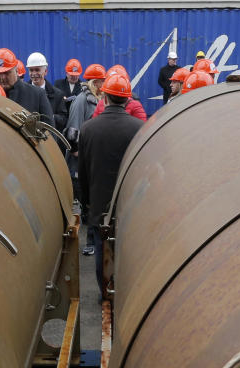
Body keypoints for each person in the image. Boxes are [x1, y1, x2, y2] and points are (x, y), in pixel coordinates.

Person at [77, 73, 144, 295]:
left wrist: (87, 203)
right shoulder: (138, 128)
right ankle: (126, 295)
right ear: (127, 100)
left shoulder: (88, 129)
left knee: (101, 250)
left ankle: (104, 293)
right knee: (128, 251)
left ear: (104, 96)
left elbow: (83, 173)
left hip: (99, 204)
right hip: (130, 205)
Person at [65, 63, 107, 254]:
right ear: (94, 82)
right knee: (87, 201)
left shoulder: (100, 100)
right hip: (82, 160)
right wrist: (80, 155)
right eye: (100, 81)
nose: (102, 84)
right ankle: (90, 243)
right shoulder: (82, 100)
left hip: (94, 159)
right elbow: (73, 132)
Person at [0, 48, 54, 126]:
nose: (3, 77)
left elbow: (50, 132)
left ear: (16, 71)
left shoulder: (37, 95)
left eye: (7, 72)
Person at [26, 52, 67, 130]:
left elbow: (63, 120)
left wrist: (49, 116)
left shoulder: (57, 94)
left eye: (37, 70)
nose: (34, 73)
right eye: (31, 70)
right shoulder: (23, 92)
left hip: (48, 138)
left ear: (45, 71)